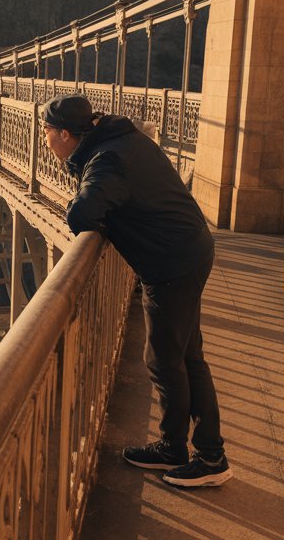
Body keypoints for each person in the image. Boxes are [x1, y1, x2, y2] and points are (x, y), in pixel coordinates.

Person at [42, 94, 232, 488]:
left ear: (64, 134)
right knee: (186, 355)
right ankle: (176, 447)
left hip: (172, 263)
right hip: (187, 250)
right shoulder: (117, 140)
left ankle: (209, 457)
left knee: (166, 361)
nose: (44, 141)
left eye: (46, 132)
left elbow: (82, 214)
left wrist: (90, 207)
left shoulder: (107, 160)